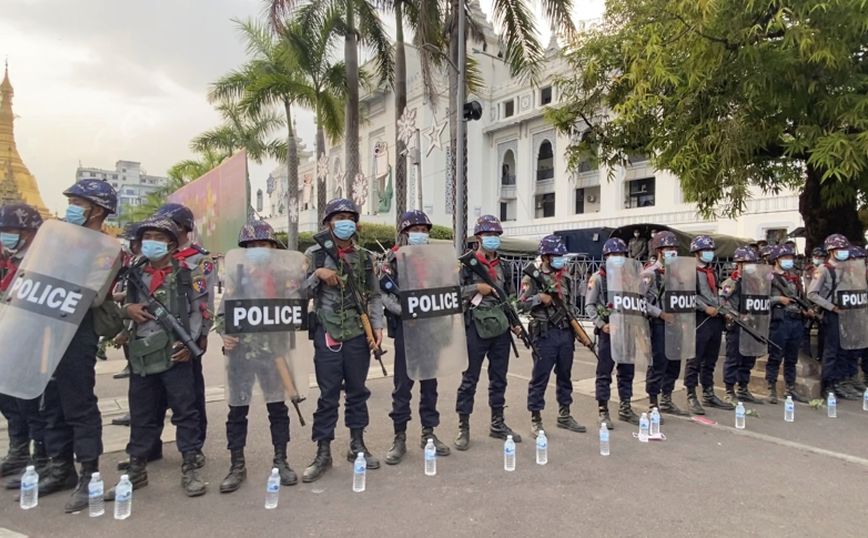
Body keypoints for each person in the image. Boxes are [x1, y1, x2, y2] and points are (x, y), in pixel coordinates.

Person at [113, 216, 207, 498]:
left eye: (158, 236)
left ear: (170, 241)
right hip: (142, 351)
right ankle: (137, 468)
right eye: (147, 237)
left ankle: (190, 466)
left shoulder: (187, 272)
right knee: (142, 413)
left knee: (185, 411)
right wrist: (126, 312)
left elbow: (198, 310)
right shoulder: (134, 273)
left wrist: (187, 342)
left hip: (175, 351)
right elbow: (125, 304)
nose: (151, 242)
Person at [39, 179, 117, 513]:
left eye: (77, 201)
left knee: (78, 403)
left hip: (77, 331)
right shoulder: (55, 241)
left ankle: (89, 475)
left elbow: (95, 296)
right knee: (50, 400)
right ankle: (60, 467)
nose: (70, 206)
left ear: (96, 209)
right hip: (45, 327)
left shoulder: (105, 249)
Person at [302, 198, 383, 483]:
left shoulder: (365, 257)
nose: (345, 222)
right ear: (327, 224)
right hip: (329, 333)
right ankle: (323, 451)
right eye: (338, 217)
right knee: (328, 395)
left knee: (358, 392)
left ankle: (357, 444)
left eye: (350, 217)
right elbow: (298, 293)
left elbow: (374, 296)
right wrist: (317, 275)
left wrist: (377, 327)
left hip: (359, 335)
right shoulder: (314, 254)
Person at [218, 220, 297, 493]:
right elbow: (221, 314)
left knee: (278, 408)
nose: (257, 249)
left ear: (273, 248)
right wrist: (224, 333)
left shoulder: (282, 278)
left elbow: (296, 308)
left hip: (274, 353)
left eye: (263, 244)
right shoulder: (237, 275)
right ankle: (236, 464)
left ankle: (281, 461)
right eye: (251, 246)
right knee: (237, 410)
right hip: (241, 354)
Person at [381, 210, 450, 465]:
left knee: (430, 383)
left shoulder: (435, 260)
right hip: (406, 329)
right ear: (405, 232)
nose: (420, 234)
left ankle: (429, 433)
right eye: (415, 230)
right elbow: (385, 295)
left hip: (430, 329)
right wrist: (406, 312)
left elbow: (445, 288)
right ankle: (399, 437)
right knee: (403, 384)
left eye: (424, 230)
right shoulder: (395, 258)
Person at [454, 215, 522, 450]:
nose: (492, 238)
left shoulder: (504, 266)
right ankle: (463, 426)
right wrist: (477, 288)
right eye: (488, 234)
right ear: (479, 237)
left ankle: (498, 423)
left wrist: (515, 323)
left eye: (495, 234)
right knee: (470, 378)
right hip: (475, 325)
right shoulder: (466, 263)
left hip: (500, 327)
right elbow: (454, 291)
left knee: (499, 378)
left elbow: (508, 297)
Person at [0, 203, 48, 489]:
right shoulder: (9, 258)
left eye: (10, 230)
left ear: (30, 231)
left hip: (32, 342)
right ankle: (18, 451)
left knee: (31, 402)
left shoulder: (43, 260)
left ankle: (40, 459)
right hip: (8, 338)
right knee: (7, 398)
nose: (5, 236)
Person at [519, 234, 586, 437]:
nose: (561, 259)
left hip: (565, 333)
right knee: (540, 377)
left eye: (562, 256)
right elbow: (520, 304)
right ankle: (536, 418)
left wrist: (579, 331)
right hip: (544, 334)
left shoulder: (566, 277)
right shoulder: (531, 277)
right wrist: (539, 298)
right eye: (556, 256)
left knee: (565, 376)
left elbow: (570, 306)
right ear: (546, 257)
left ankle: (564, 415)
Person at [586, 237, 640, 429]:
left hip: (628, 330)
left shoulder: (631, 278)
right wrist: (602, 324)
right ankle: (603, 410)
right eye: (613, 255)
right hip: (609, 331)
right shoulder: (598, 278)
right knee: (604, 373)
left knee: (627, 371)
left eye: (621, 255)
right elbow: (590, 305)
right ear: (606, 256)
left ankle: (625, 407)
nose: (618, 258)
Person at [808, 234, 863, 399]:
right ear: (831, 251)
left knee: (846, 350)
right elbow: (811, 294)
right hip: (832, 315)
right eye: (840, 249)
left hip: (850, 314)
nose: (844, 252)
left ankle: (841, 382)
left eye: (845, 249)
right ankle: (828, 385)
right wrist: (831, 307)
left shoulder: (848, 268)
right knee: (832, 351)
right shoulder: (823, 269)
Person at [683, 235, 732, 415]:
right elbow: (688, 295)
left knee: (710, 359)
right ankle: (691, 394)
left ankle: (708, 393)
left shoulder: (711, 271)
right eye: (706, 250)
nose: (710, 253)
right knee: (694, 359)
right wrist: (705, 308)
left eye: (711, 250)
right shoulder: (689, 271)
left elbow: (715, 293)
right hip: (698, 318)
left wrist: (724, 310)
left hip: (715, 319)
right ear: (696, 252)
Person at [640, 231, 687, 416]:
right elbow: (639, 301)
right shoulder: (649, 273)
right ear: (659, 250)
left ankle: (667, 398)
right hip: (658, 325)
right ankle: (653, 402)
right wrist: (660, 313)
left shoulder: (677, 273)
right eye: (669, 248)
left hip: (676, 324)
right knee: (658, 362)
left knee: (674, 362)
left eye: (674, 248)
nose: (673, 251)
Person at [720, 246, 768, 405]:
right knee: (733, 359)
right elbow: (721, 303)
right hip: (736, 326)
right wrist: (737, 315)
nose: (749, 266)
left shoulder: (756, 282)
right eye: (745, 263)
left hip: (752, 326)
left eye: (751, 263)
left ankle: (743, 388)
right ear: (738, 264)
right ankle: (729, 391)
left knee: (749, 358)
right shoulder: (731, 282)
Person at [765, 245, 811, 403]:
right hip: (780, 319)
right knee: (775, 356)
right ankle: (771, 388)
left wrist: (806, 310)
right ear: (776, 259)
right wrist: (779, 299)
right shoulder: (769, 277)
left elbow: (801, 298)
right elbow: (761, 299)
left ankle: (790, 388)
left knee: (792, 357)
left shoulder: (794, 277)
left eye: (790, 258)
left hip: (796, 318)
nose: (788, 261)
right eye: (785, 258)